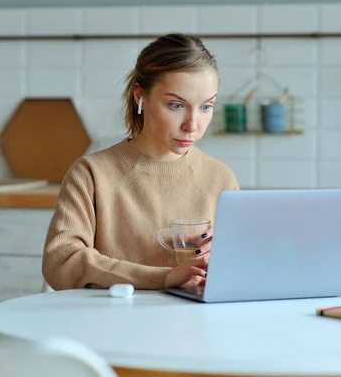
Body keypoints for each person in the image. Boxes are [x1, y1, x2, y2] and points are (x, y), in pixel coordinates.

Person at [42, 33, 240, 291]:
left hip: (196, 326)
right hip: (110, 326)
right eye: (176, 105)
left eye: (205, 107)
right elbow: (61, 262)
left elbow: (239, 272)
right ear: (140, 96)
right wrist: (164, 277)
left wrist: (223, 259)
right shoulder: (92, 174)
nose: (192, 125)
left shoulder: (221, 178)